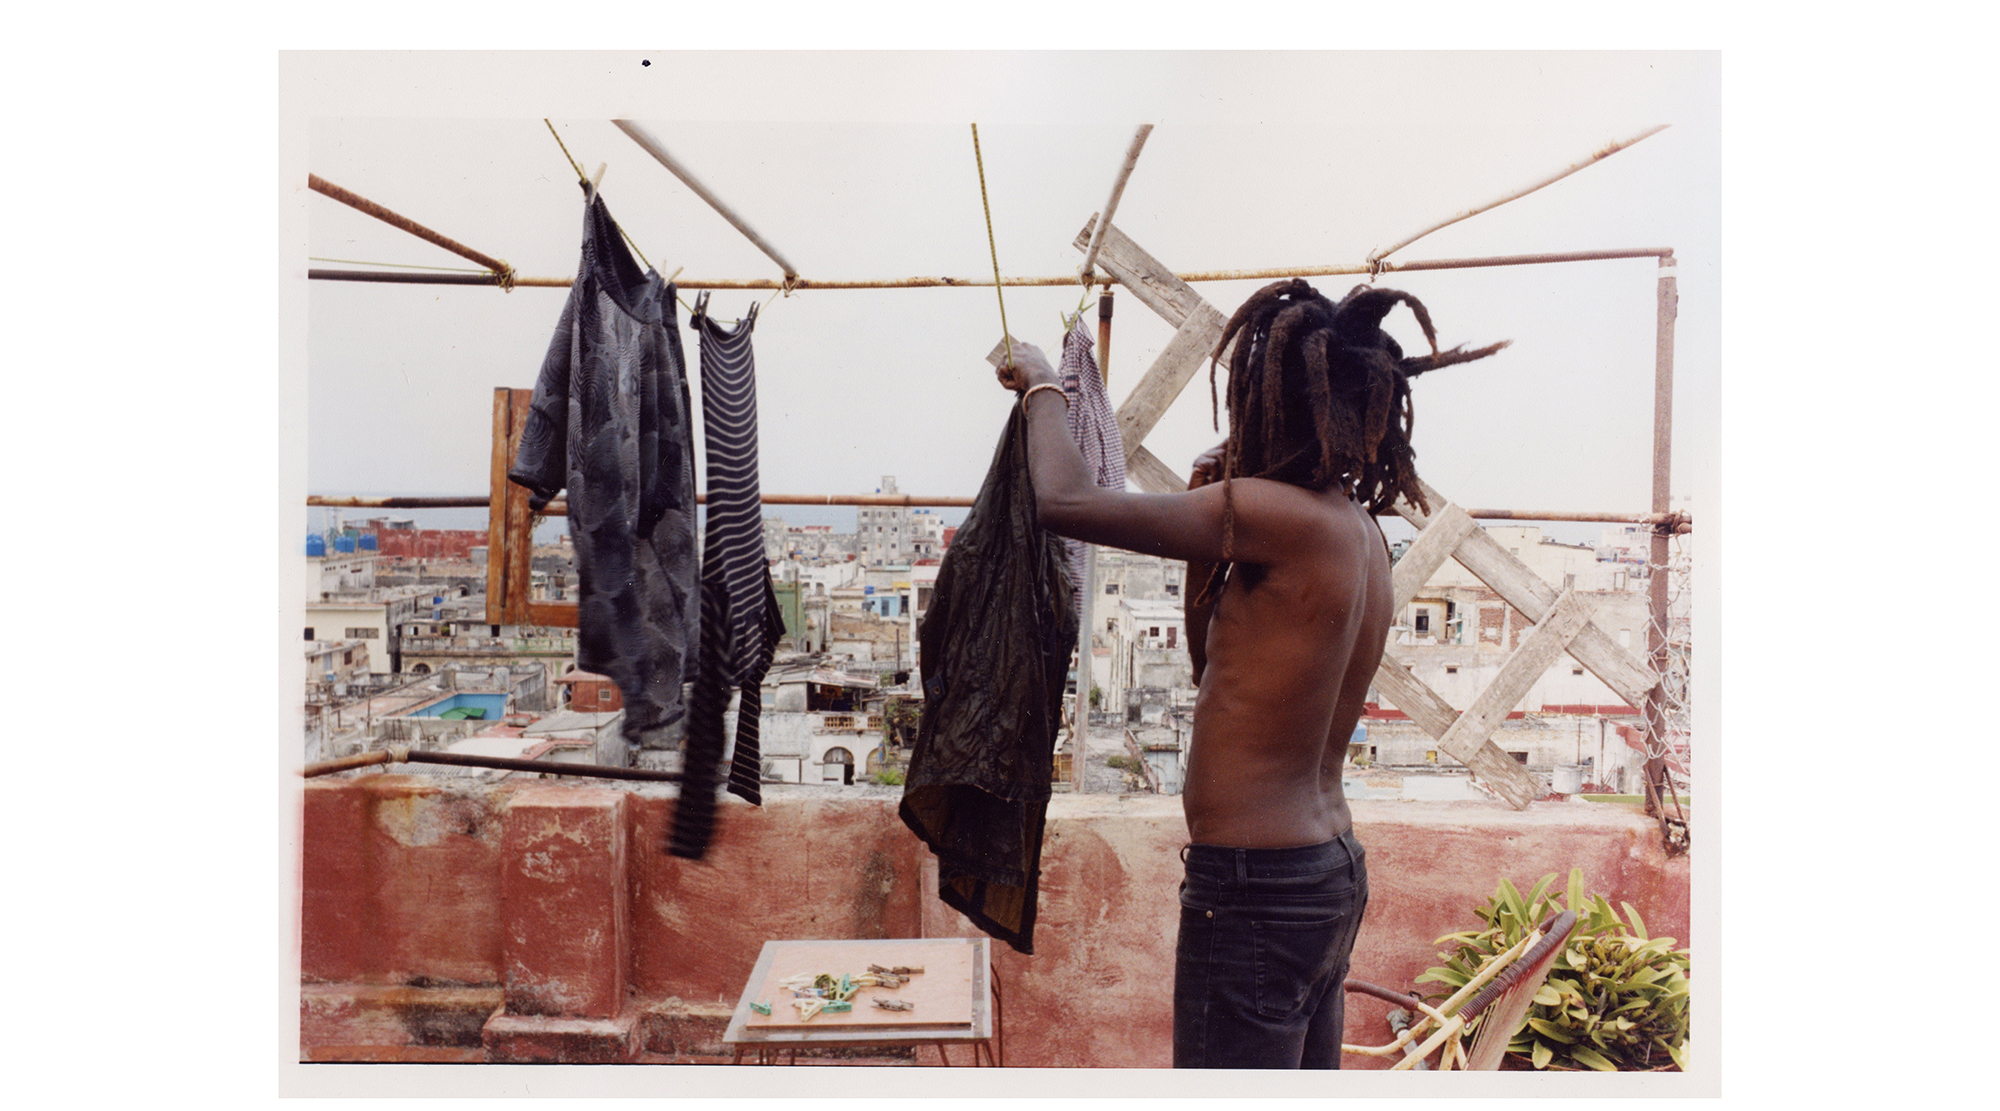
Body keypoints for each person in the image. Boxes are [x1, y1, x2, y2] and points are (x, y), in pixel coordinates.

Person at [991, 278, 1504, 1069]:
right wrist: (1212, 525)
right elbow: (1215, 667)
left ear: (1271, 403)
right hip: (1320, 875)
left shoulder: (1275, 514)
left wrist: (1043, 384)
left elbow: (1064, 498)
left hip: (1256, 889)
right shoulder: (1357, 533)